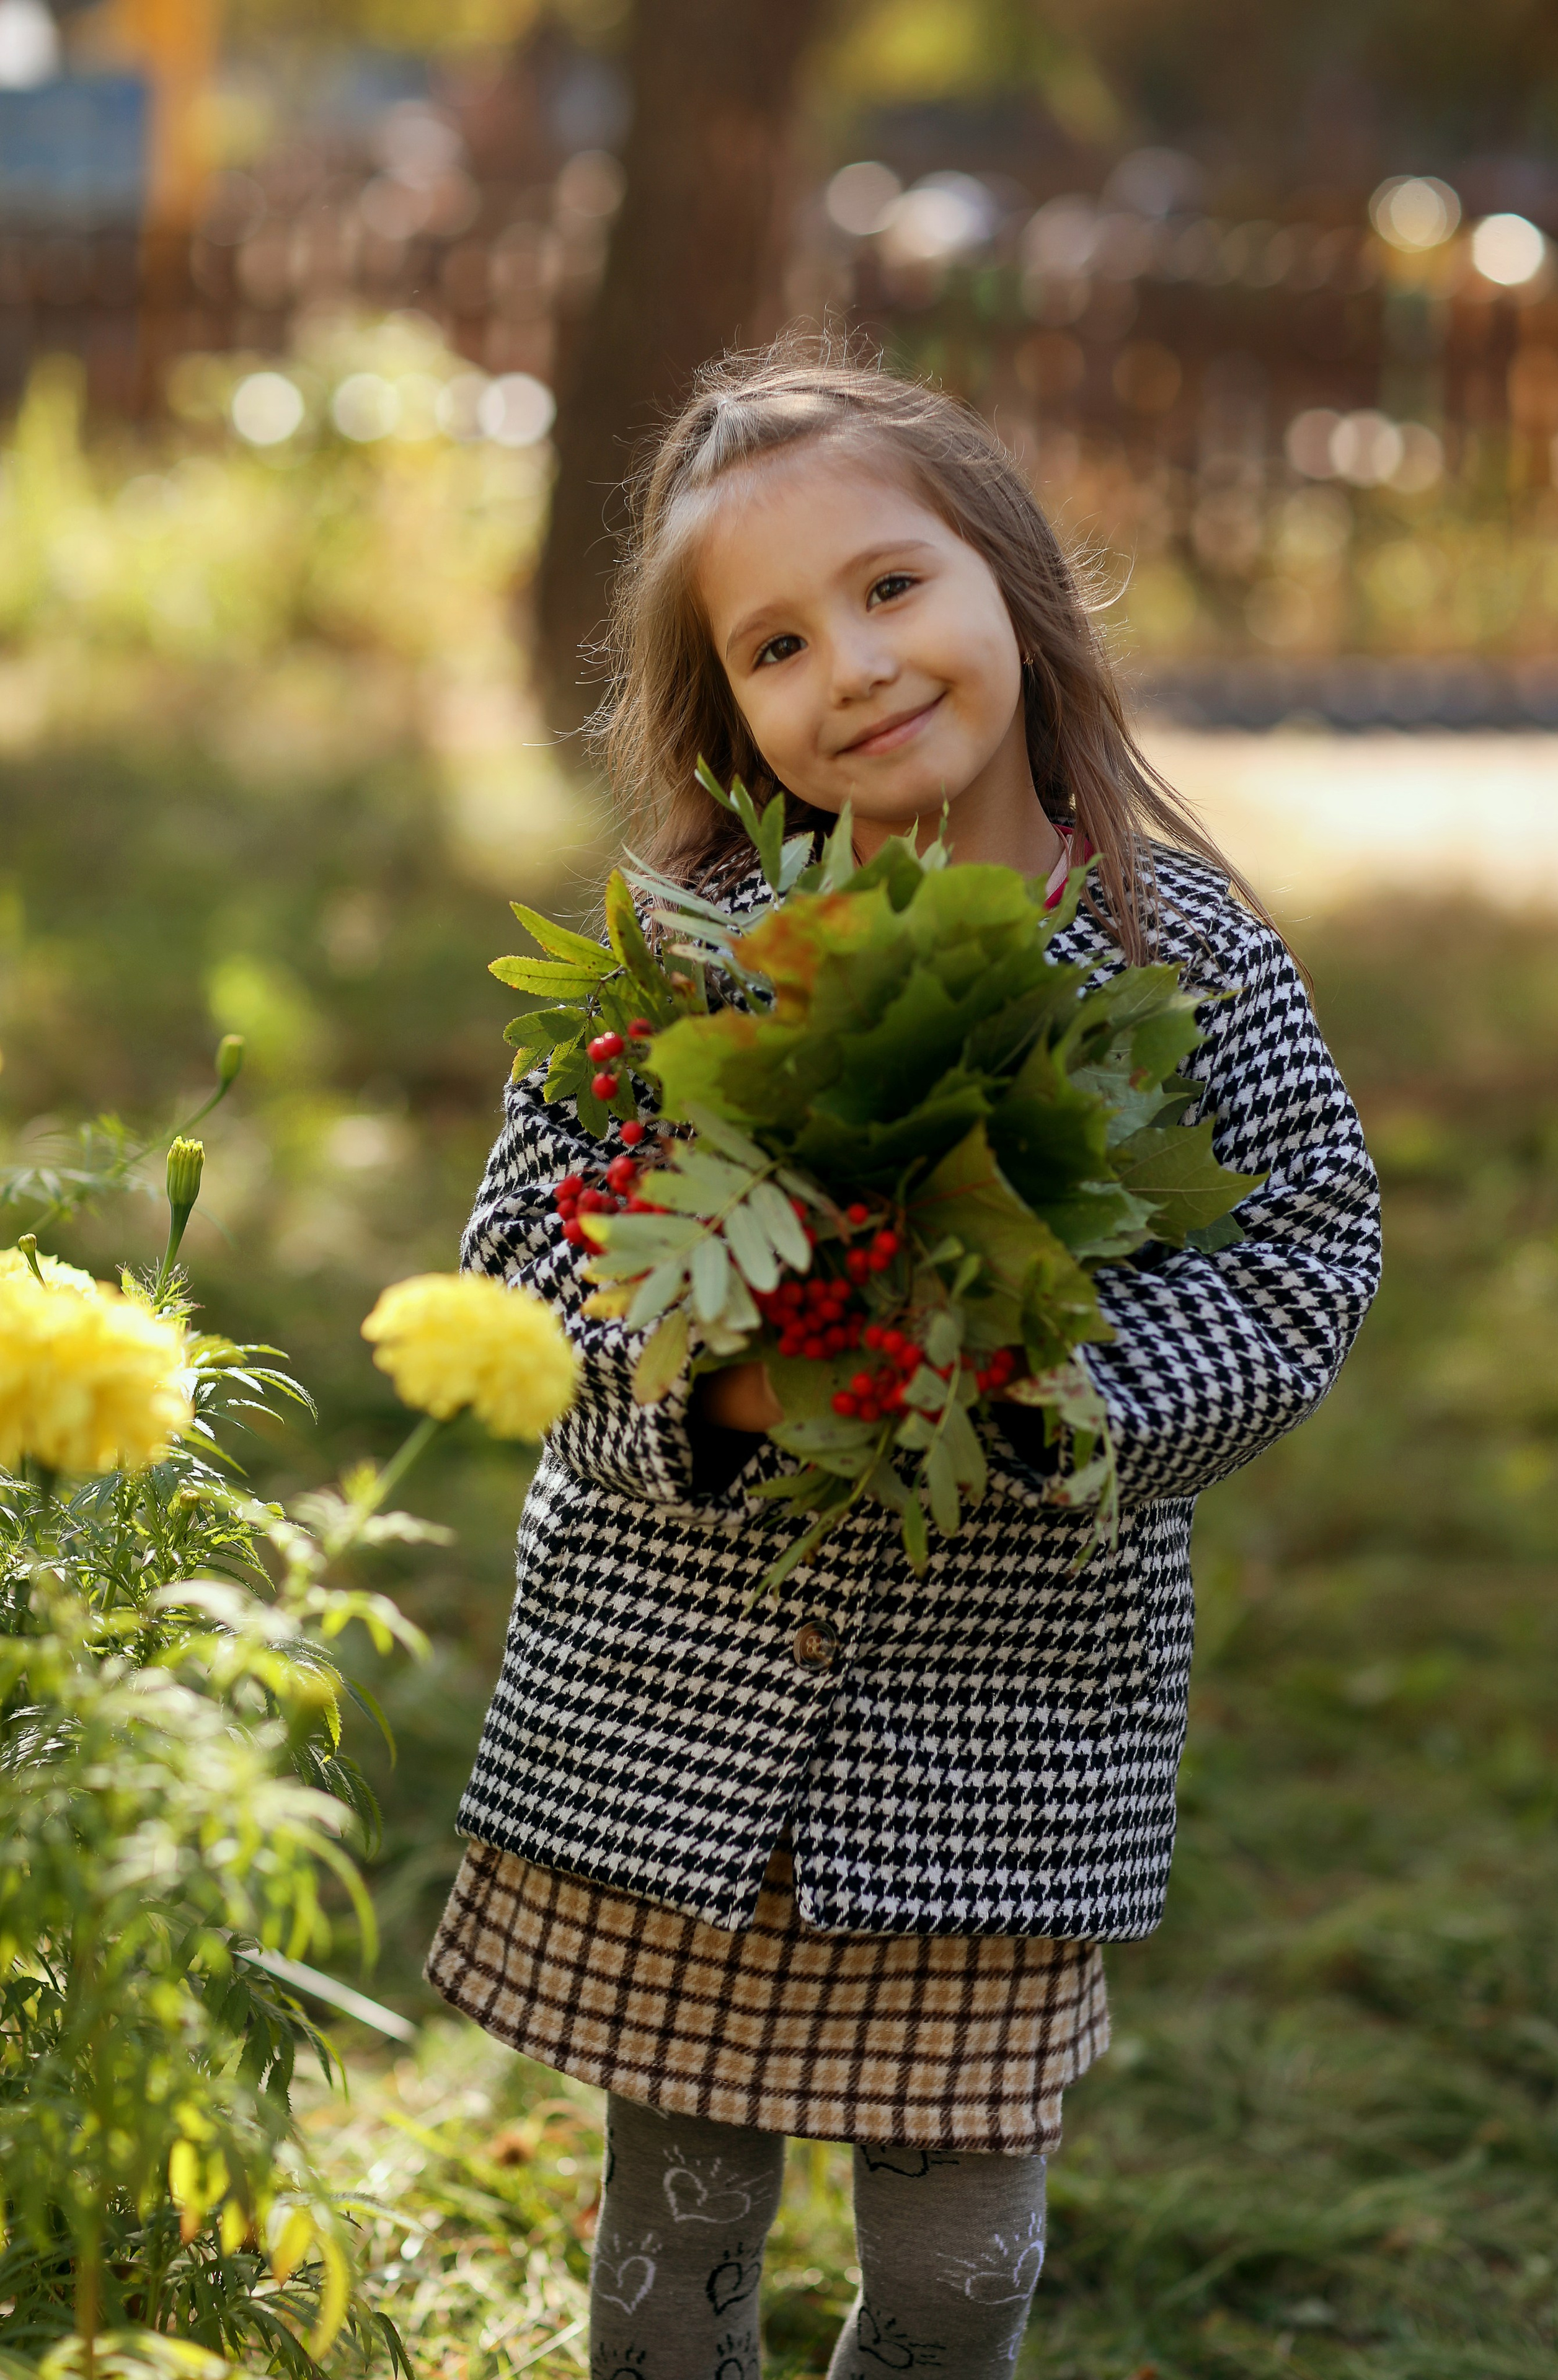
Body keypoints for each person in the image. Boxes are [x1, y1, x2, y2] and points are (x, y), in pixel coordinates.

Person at [425, 342, 1381, 2378]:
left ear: (1010, 584)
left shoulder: (1181, 955)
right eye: (776, 645)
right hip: (677, 1725)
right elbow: (522, 1259)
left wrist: (1044, 1390)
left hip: (998, 1754)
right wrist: (733, 1384)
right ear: (729, 712)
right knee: (674, 2243)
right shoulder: (681, 951)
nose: (851, 667)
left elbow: (1308, 1255)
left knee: (961, 2275)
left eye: (888, 588)